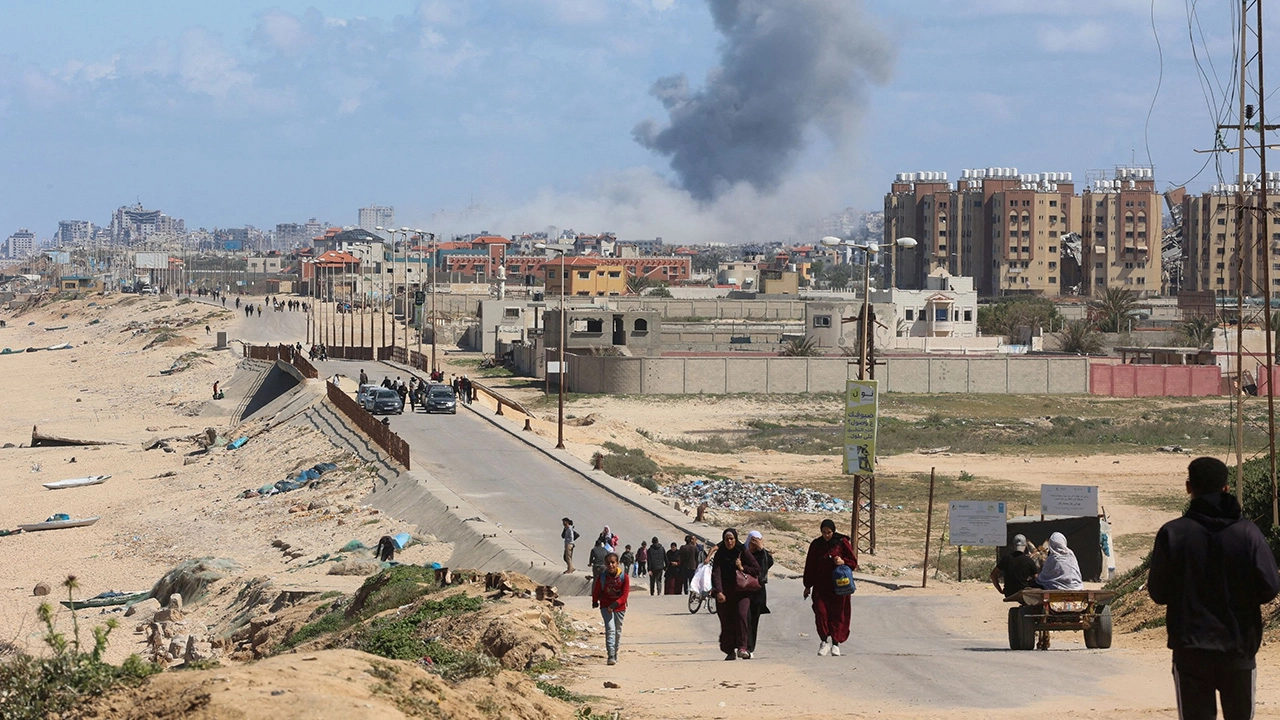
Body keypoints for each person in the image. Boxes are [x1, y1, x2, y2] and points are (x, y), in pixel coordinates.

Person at [1149, 456, 1280, 720]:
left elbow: (1158, 593)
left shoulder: (1172, 534)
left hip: (1191, 650)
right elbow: (1269, 588)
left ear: (1189, 487)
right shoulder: (1248, 533)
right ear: (1226, 488)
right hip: (1239, 648)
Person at [802, 518, 858, 657]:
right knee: (820, 612)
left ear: (833, 531)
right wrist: (807, 585)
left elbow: (853, 562)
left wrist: (842, 561)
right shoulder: (816, 544)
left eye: (829, 532)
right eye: (824, 532)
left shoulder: (842, 542)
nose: (826, 535)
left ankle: (835, 644)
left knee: (837, 614)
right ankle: (824, 641)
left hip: (839, 586)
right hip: (821, 586)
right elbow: (810, 566)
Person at [711, 528, 760, 661]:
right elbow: (716, 573)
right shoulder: (720, 554)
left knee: (741, 616)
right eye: (727, 539)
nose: (729, 542)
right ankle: (729, 650)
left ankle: (743, 647)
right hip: (725, 593)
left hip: (742, 592)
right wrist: (719, 591)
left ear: (736, 539)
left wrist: (742, 567)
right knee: (726, 621)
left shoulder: (742, 551)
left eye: (731, 539)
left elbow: (756, 569)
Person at [592, 552, 630, 666]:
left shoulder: (624, 577)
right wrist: (595, 601)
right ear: (605, 564)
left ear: (617, 563)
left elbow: (624, 595)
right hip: (606, 606)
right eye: (608, 563)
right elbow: (596, 590)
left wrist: (615, 604)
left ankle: (615, 652)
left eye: (613, 562)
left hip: (620, 608)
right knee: (610, 630)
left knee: (617, 631)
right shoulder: (602, 577)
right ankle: (611, 655)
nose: (611, 565)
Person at [745, 530, 774, 659]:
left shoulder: (763, 554)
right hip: (743, 590)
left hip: (758, 592)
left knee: (753, 620)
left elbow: (768, 564)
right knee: (743, 618)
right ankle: (742, 645)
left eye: (758, 540)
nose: (755, 543)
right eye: (753, 540)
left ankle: (750, 648)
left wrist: (762, 549)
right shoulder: (743, 553)